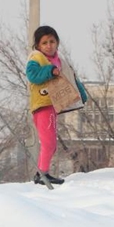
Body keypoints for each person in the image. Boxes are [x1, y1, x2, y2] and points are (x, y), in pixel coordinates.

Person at [25, 25, 87, 186]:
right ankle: (41, 173)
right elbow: (32, 75)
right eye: (44, 43)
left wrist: (81, 94)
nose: (49, 45)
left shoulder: (60, 61)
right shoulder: (36, 58)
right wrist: (49, 70)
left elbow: (70, 79)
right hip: (42, 105)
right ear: (38, 46)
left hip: (52, 105)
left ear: (57, 43)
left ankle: (42, 172)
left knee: (51, 142)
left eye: (52, 41)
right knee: (49, 142)